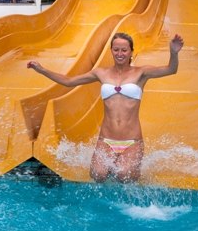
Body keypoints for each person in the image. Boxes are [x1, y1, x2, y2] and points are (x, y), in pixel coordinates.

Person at [27, 32, 184, 183]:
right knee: (98, 175)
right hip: (106, 140)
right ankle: (122, 163)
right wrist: (41, 70)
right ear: (111, 51)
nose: (120, 53)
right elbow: (69, 81)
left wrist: (173, 53)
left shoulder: (141, 72)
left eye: (124, 50)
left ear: (131, 51)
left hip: (132, 141)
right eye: (116, 49)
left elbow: (171, 69)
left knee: (123, 175)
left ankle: (135, 167)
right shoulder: (101, 73)